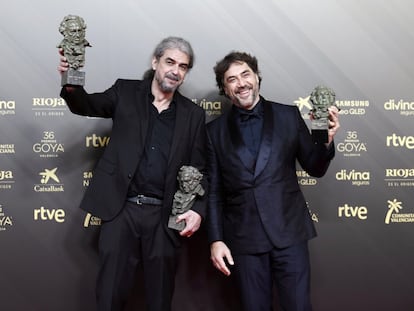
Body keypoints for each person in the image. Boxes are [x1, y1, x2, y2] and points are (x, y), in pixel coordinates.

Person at [58, 36, 207, 311]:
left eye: (183, 67)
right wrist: (71, 80)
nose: (175, 70)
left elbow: (199, 167)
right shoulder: (124, 91)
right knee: (110, 294)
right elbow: (85, 105)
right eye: (170, 62)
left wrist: (197, 208)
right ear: (155, 62)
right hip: (121, 210)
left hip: (165, 217)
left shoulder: (193, 115)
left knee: (160, 298)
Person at [206, 51, 340, 311]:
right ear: (225, 88)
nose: (241, 83)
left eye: (246, 74)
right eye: (232, 79)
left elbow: (315, 168)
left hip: (289, 233)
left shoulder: (288, 115)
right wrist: (216, 240)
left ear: (257, 77)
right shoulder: (214, 132)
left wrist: (326, 140)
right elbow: (213, 192)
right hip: (244, 240)